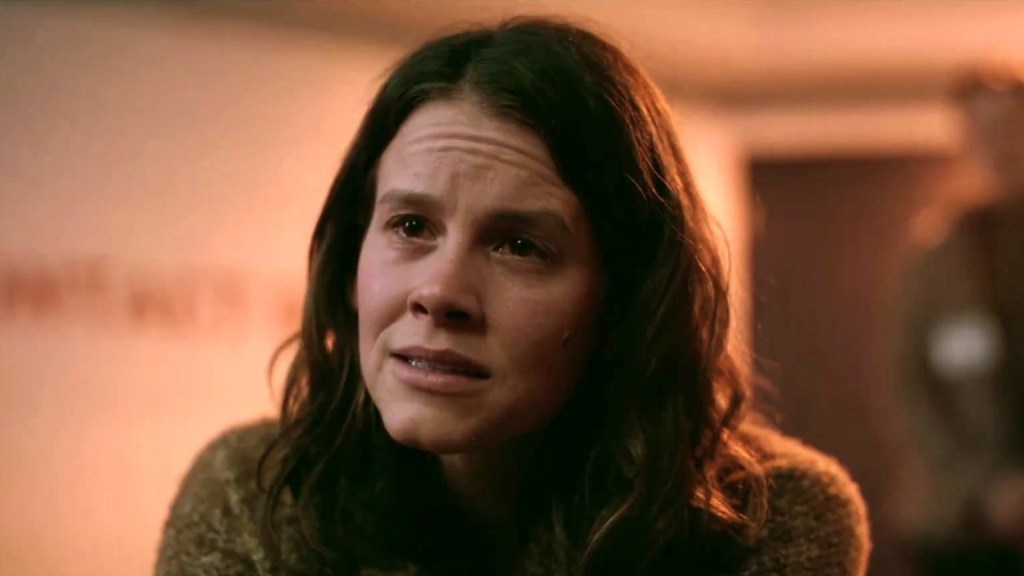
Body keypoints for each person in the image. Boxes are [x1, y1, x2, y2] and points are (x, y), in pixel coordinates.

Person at [156, 17, 869, 576]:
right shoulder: (248, 494)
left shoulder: (771, 518)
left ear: (626, 300)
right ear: (350, 260)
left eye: (519, 245)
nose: (440, 292)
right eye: (411, 226)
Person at [896, 66, 1024, 575]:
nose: (997, 144)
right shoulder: (942, 255)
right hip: (963, 523)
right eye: (980, 130)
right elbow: (911, 383)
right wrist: (986, 484)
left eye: (1009, 126)